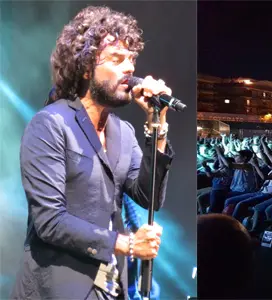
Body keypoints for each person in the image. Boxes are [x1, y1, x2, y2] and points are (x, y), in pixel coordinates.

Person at [12, 6, 172, 300]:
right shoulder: (51, 124)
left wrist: (157, 127)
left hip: (110, 284)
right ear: (86, 67)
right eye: (117, 59)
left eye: (132, 59)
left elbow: (149, 197)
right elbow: (50, 221)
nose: (130, 68)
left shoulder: (122, 132)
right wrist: (127, 244)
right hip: (60, 285)